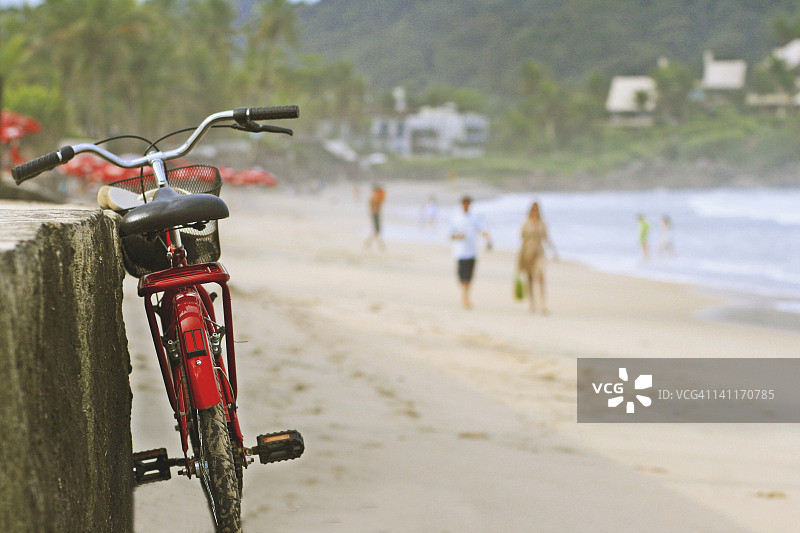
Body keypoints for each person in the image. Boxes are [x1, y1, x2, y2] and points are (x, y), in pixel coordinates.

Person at [450, 195, 491, 309]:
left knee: (470, 277)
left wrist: (488, 240)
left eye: (468, 203)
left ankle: (466, 297)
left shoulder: (475, 218)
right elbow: (451, 235)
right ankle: (464, 297)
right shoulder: (456, 218)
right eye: (464, 203)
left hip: (472, 252)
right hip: (460, 252)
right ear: (461, 204)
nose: (466, 205)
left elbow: (482, 230)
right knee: (462, 277)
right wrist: (458, 236)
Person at [517, 201, 557, 314]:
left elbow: (547, 238)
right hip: (527, 251)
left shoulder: (542, 223)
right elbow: (522, 237)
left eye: (536, 209)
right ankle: (532, 303)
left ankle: (543, 304)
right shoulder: (526, 223)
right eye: (533, 209)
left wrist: (554, 252)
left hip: (539, 251)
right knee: (529, 277)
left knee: (540, 275)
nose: (535, 211)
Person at [364, 184, 386, 250]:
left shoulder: (374, 197)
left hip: (375, 213)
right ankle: (370, 244)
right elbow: (376, 205)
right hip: (375, 214)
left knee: (376, 230)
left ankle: (370, 244)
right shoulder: (375, 198)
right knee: (376, 230)